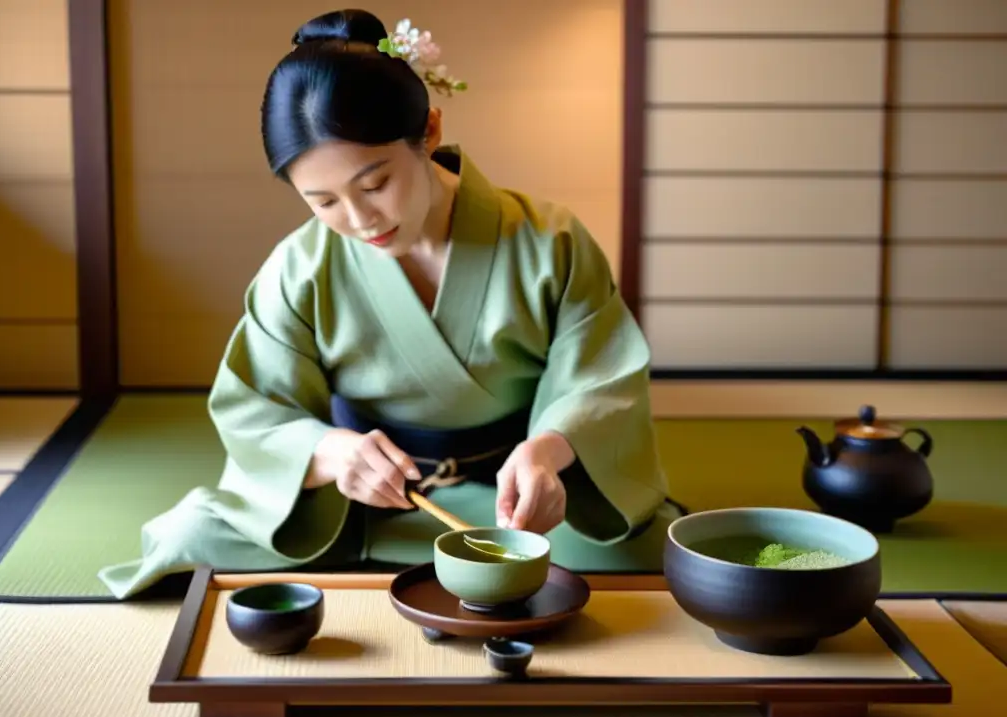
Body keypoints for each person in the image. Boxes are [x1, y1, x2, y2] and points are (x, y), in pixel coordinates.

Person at [97, 9, 684, 600]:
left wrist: (548, 454)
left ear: (428, 132)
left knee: (659, 548)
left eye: (374, 184)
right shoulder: (299, 269)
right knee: (186, 539)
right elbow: (255, 408)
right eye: (322, 201)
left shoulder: (547, 241)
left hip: (516, 495)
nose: (358, 220)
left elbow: (600, 380)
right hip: (360, 500)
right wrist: (330, 453)